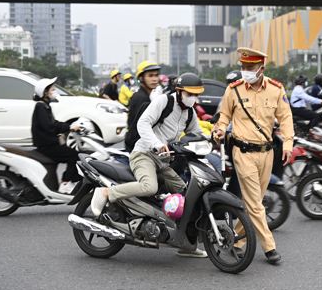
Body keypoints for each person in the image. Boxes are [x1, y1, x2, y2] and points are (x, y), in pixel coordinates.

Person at [91, 72, 207, 258]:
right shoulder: (164, 101)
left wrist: (214, 137)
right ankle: (107, 193)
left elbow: (197, 133)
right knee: (150, 186)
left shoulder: (189, 112)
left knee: (188, 193)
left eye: (196, 94)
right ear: (179, 92)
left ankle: (186, 245)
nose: (194, 98)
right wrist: (157, 144)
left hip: (163, 161)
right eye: (190, 94)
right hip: (143, 153)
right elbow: (143, 123)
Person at [212, 47, 294, 265]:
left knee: (252, 201)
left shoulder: (276, 89)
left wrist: (288, 143)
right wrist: (220, 128)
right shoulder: (234, 89)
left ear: (261, 68)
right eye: (243, 67)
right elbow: (224, 116)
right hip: (242, 151)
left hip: (267, 153)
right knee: (256, 203)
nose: (245, 71)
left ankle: (237, 241)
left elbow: (285, 118)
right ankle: (269, 247)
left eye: (250, 67)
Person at [31, 77, 83, 194]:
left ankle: (71, 181)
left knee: (74, 154)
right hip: (47, 145)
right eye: (53, 89)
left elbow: (53, 123)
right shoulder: (40, 107)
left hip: (49, 142)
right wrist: (68, 127)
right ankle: (65, 183)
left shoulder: (45, 106)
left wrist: (69, 125)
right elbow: (49, 126)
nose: (55, 92)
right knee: (74, 156)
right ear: (45, 92)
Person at [124, 61, 162, 153]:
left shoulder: (145, 96)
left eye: (156, 75)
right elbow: (142, 127)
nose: (154, 79)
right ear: (141, 78)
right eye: (150, 76)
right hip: (138, 147)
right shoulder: (141, 98)